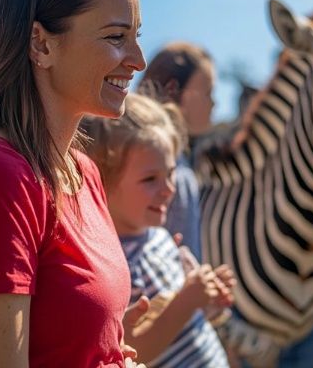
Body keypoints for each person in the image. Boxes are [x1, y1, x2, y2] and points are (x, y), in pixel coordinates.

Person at [0, 0, 147, 368]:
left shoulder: (83, 171)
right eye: (116, 37)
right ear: (41, 43)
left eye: (136, 37)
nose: (138, 59)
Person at [82, 93, 234, 367]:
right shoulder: (114, 265)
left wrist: (207, 299)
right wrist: (187, 301)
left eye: (171, 173)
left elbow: (184, 322)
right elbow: (131, 348)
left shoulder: (162, 238)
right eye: (150, 179)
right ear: (102, 182)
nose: (169, 189)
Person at [138, 42, 215, 261]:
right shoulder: (174, 170)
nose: (213, 103)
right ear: (174, 91)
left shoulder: (140, 158)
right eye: (207, 92)